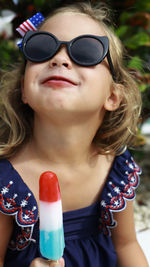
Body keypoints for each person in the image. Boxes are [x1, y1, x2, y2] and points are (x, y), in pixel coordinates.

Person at [0, 2, 149, 267]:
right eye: (42, 48)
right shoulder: (6, 184)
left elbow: (126, 245)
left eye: (87, 50)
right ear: (23, 89)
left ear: (113, 96)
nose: (58, 58)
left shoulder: (116, 167)